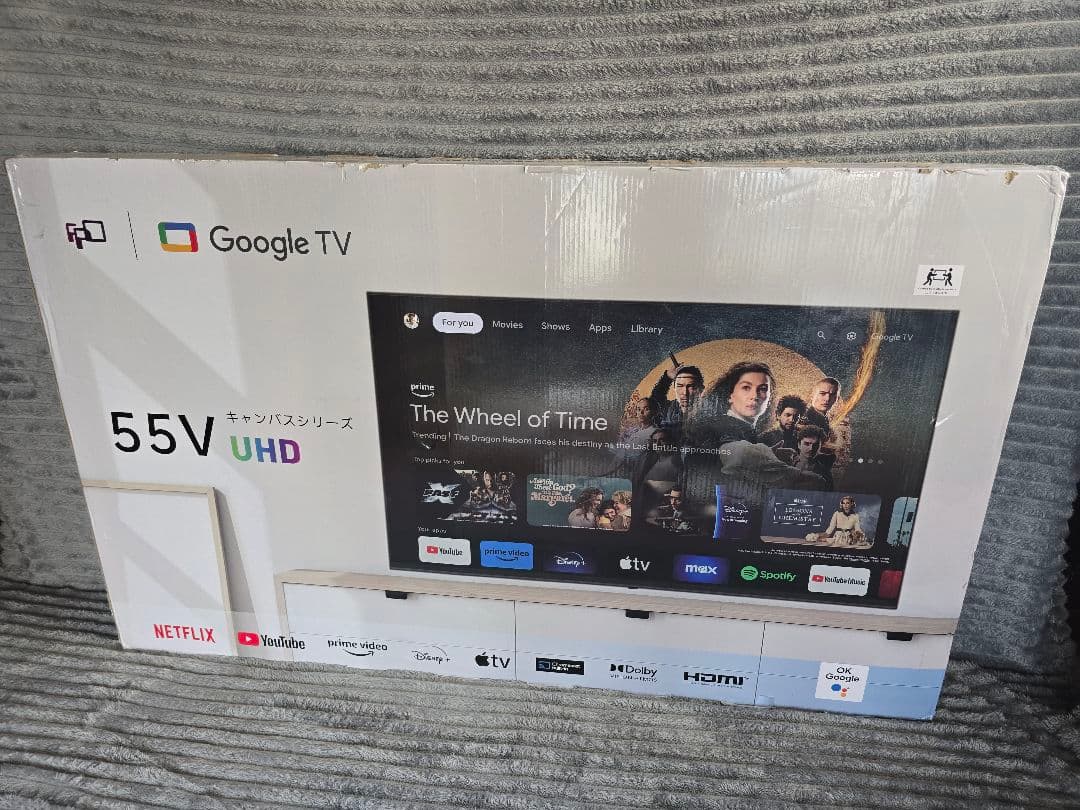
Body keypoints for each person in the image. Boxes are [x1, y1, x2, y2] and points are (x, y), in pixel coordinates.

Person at [648, 363, 706, 437]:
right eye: (680, 386)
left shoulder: (708, 410)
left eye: (690, 386)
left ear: (701, 388)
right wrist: (667, 378)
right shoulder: (668, 409)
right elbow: (654, 403)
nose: (685, 392)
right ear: (674, 388)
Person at [791, 425, 834, 489]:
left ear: (820, 446)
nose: (811, 448)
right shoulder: (788, 465)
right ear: (799, 444)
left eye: (815, 445)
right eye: (806, 444)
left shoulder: (826, 474)